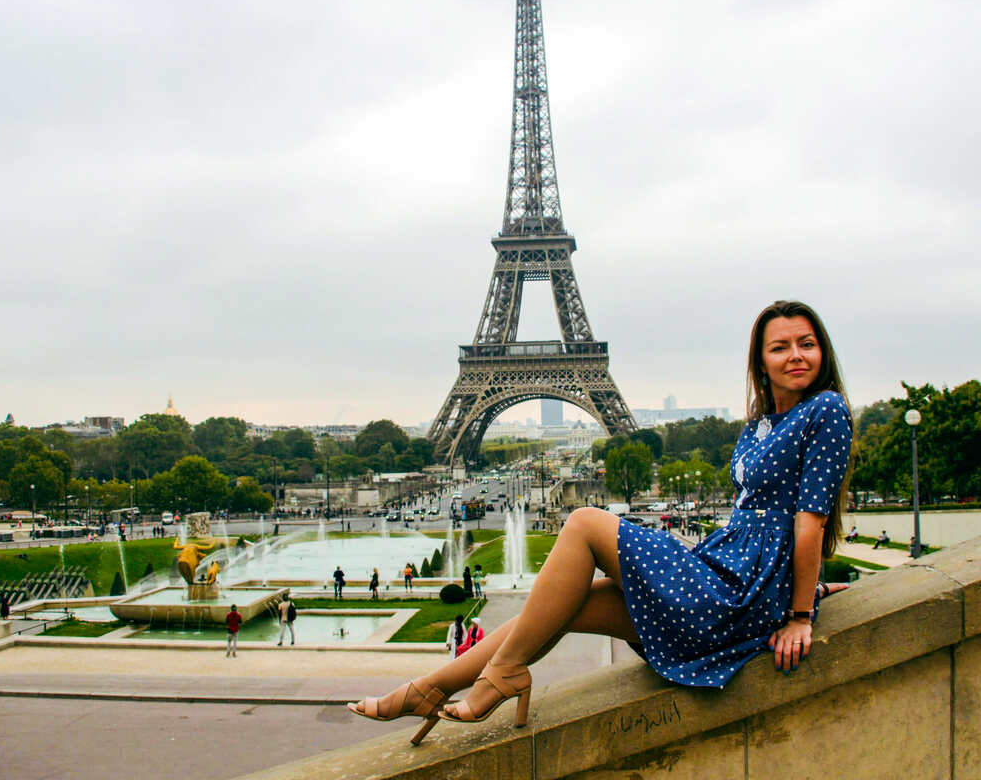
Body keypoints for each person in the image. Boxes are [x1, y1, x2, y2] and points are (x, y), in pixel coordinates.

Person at [347, 300, 854, 745]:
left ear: (821, 353)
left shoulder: (826, 410)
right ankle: (427, 689)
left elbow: (809, 523)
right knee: (560, 608)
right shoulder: (760, 424)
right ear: (760, 362)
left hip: (738, 593)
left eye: (806, 344)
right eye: (780, 347)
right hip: (724, 573)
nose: (795, 355)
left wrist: (800, 615)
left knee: (586, 522)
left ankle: (498, 678)